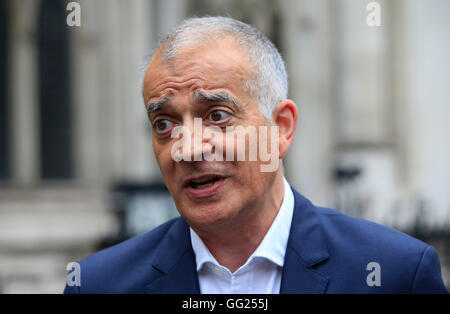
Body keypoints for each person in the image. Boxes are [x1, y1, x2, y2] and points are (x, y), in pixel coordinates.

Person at [64, 16, 448, 294]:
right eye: (164, 124)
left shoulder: (395, 274)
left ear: (281, 128)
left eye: (216, 116)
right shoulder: (99, 285)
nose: (187, 148)